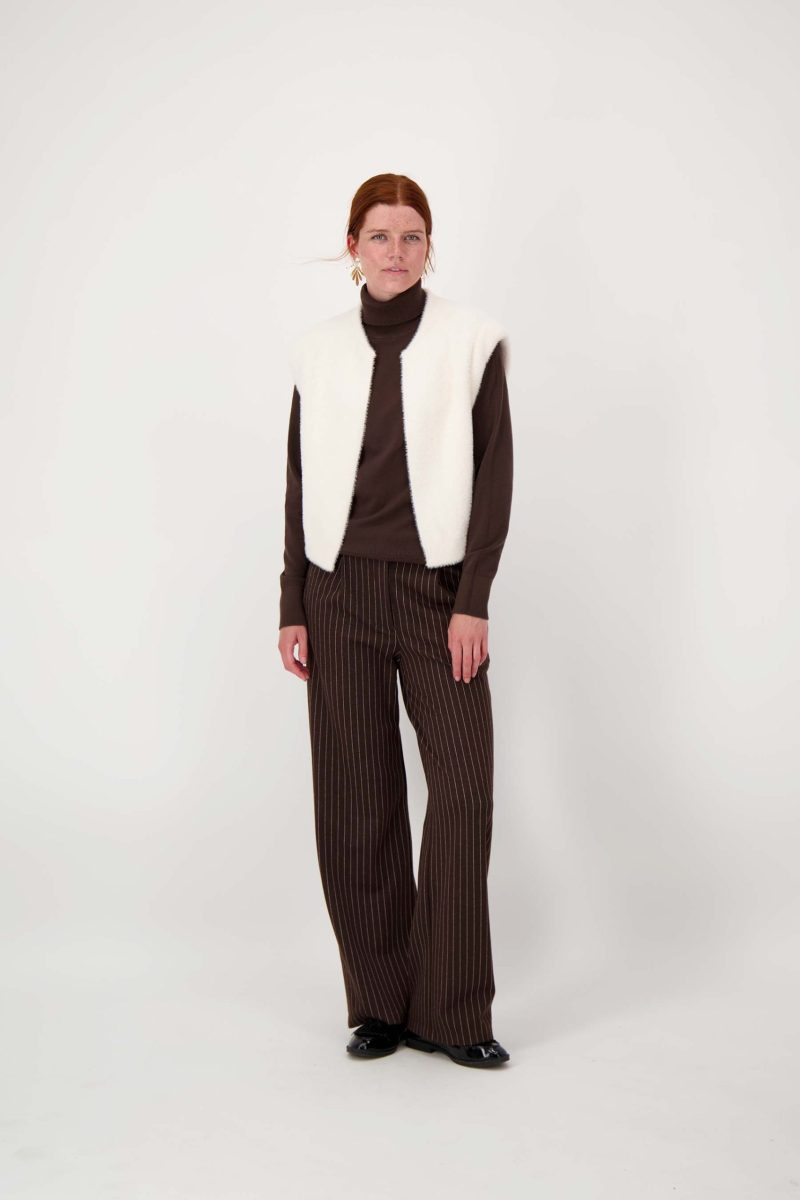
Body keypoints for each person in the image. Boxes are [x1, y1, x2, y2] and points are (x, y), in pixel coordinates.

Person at [277, 173, 514, 1069]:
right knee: (357, 798)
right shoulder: (318, 351)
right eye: (380, 236)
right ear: (353, 247)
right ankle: (378, 1002)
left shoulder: (470, 341)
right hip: (337, 594)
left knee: (462, 791)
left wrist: (473, 598)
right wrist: (293, 602)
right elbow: (299, 481)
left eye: (412, 236)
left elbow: (494, 474)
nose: (396, 252)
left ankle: (452, 1010)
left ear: (429, 247)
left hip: (436, 595)